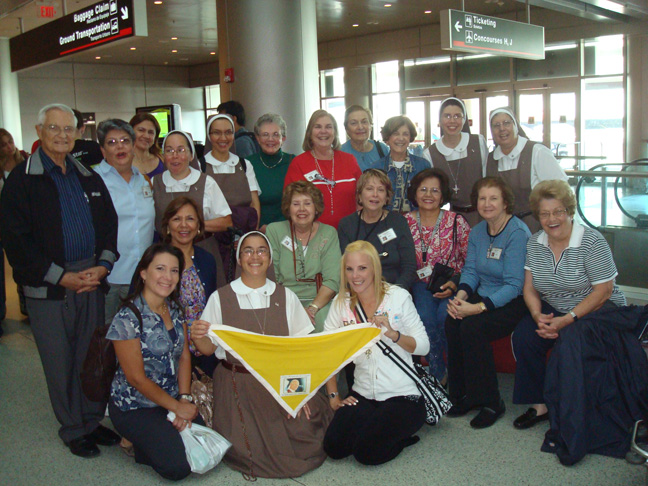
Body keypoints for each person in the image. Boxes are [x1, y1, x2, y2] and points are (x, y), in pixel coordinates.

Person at [0, 103, 120, 457]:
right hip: (49, 286)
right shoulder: (21, 181)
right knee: (59, 358)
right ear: (39, 132)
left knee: (89, 355)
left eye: (70, 129)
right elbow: (16, 242)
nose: (63, 135)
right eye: (54, 128)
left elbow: (109, 225)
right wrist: (62, 277)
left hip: (91, 279)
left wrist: (102, 267)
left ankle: (91, 419)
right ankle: (72, 428)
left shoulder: (87, 175)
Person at [190, 231, 333, 478]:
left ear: (269, 258)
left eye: (261, 250)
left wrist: (301, 394)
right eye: (248, 250)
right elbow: (208, 349)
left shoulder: (285, 296)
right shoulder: (220, 297)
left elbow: (299, 351)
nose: (254, 256)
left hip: (280, 381)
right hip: (238, 384)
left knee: (305, 433)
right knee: (252, 449)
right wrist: (198, 335)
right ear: (239, 257)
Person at [511, 180, 627, 430]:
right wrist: (536, 315)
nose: (552, 219)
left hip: (597, 309)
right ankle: (540, 405)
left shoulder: (591, 241)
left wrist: (568, 319)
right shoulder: (535, 242)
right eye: (544, 213)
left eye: (558, 212)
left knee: (570, 340)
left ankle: (572, 406)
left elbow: (603, 291)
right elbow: (529, 287)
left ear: (570, 212)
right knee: (524, 336)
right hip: (555, 307)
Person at [323, 241, 430, 465]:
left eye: (362, 268)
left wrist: (393, 334)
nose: (355, 276)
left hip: (403, 396)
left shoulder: (398, 297)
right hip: (362, 394)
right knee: (334, 447)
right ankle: (375, 425)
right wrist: (334, 397)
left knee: (367, 453)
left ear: (374, 268)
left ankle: (401, 438)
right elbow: (328, 353)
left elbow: (423, 346)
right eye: (349, 269)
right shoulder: (340, 304)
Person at [107, 244, 201, 481]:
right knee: (177, 468)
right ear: (143, 273)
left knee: (205, 442)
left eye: (174, 270)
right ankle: (134, 441)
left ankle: (154, 436)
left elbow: (184, 356)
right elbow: (136, 379)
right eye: (160, 269)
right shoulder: (128, 317)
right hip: (136, 405)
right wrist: (176, 408)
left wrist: (184, 397)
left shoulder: (173, 307)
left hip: (169, 398)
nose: (167, 277)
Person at [445, 177, 530, 429]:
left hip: (513, 299)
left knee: (473, 327)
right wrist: (460, 298)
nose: (487, 203)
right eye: (482, 198)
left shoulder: (517, 233)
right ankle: (462, 394)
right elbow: (470, 271)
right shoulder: (478, 231)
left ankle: (491, 401)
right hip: (483, 292)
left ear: (505, 203)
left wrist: (478, 308)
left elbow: (515, 285)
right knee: (452, 321)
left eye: (494, 198)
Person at [405, 168, 471, 381]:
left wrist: (454, 283)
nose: (428, 195)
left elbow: (470, 259)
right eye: (423, 189)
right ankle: (436, 369)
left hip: (451, 283)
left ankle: (456, 369)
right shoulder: (404, 222)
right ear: (414, 193)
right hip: (419, 283)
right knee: (424, 317)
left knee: (446, 316)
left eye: (435, 190)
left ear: (443, 195)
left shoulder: (455, 221)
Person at [153, 130, 232, 287]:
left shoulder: (206, 183)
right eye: (169, 150)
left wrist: (192, 226)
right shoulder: (154, 183)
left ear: (191, 155)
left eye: (181, 150)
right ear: (163, 156)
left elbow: (226, 222)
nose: (175, 155)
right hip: (167, 254)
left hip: (203, 250)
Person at [95, 119, 155, 323]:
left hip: (143, 278)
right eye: (112, 142)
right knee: (108, 341)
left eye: (125, 140)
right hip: (111, 278)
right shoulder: (94, 181)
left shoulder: (143, 180)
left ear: (133, 145)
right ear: (103, 150)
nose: (120, 146)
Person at [266, 181, 341, 332]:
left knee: (323, 323)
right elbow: (273, 277)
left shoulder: (329, 233)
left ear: (316, 207)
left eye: (307, 203)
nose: (302, 209)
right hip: (282, 301)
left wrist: (312, 309)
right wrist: (294, 310)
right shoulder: (275, 231)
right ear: (288, 208)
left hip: (319, 302)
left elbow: (333, 279)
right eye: (296, 204)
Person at [487, 107, 567, 233]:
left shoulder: (537, 151)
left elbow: (561, 190)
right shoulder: (491, 159)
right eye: (496, 125)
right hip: (505, 227)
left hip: (538, 224)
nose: (502, 128)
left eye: (506, 123)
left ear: (515, 125)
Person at [161, 196, 217, 373]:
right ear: (167, 226)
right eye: (177, 219)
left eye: (190, 219)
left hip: (203, 355)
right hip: (166, 357)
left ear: (199, 226)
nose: (184, 225)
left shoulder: (207, 260)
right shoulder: (155, 259)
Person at [338, 168, 417, 291]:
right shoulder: (347, 224)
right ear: (359, 195)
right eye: (369, 189)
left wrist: (395, 293)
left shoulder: (398, 222)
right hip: (358, 290)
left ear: (387, 197)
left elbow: (409, 267)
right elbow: (345, 268)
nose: (375, 194)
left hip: (394, 290)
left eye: (380, 190)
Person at [284, 109, 362, 229]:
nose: (323, 131)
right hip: (312, 234)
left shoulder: (349, 160)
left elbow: (362, 196)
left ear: (335, 132)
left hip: (349, 232)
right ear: (309, 133)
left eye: (328, 127)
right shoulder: (299, 163)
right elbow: (290, 204)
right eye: (318, 127)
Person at [422, 97, 489, 227]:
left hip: (483, 214)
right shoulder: (430, 153)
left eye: (457, 116)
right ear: (440, 120)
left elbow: (487, 177)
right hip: (453, 217)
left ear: (464, 120)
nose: (452, 121)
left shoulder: (478, 142)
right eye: (447, 116)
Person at [200, 114, 262, 226]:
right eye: (217, 132)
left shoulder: (245, 165)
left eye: (228, 132)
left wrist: (253, 233)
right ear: (209, 136)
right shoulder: (200, 166)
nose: (223, 138)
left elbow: (254, 203)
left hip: (243, 233)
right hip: (211, 234)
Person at [368, 115, 429, 213]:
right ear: (387, 138)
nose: (401, 138)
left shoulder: (423, 166)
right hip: (385, 224)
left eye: (405, 134)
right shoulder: (376, 168)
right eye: (395, 133)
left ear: (410, 138)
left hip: (416, 223)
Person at [247, 113, 295, 231]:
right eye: (265, 135)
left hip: (289, 229)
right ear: (257, 138)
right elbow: (246, 203)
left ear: (283, 138)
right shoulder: (247, 164)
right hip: (257, 230)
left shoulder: (293, 162)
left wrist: (277, 229)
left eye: (275, 135)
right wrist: (260, 227)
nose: (270, 139)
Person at [340, 105, 388, 171]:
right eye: (354, 123)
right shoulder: (340, 153)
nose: (360, 127)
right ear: (346, 128)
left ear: (370, 125)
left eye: (364, 122)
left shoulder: (382, 149)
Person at [129, 113, 165, 177]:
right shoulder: (122, 163)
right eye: (141, 130)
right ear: (130, 132)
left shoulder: (163, 161)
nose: (146, 136)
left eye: (150, 132)